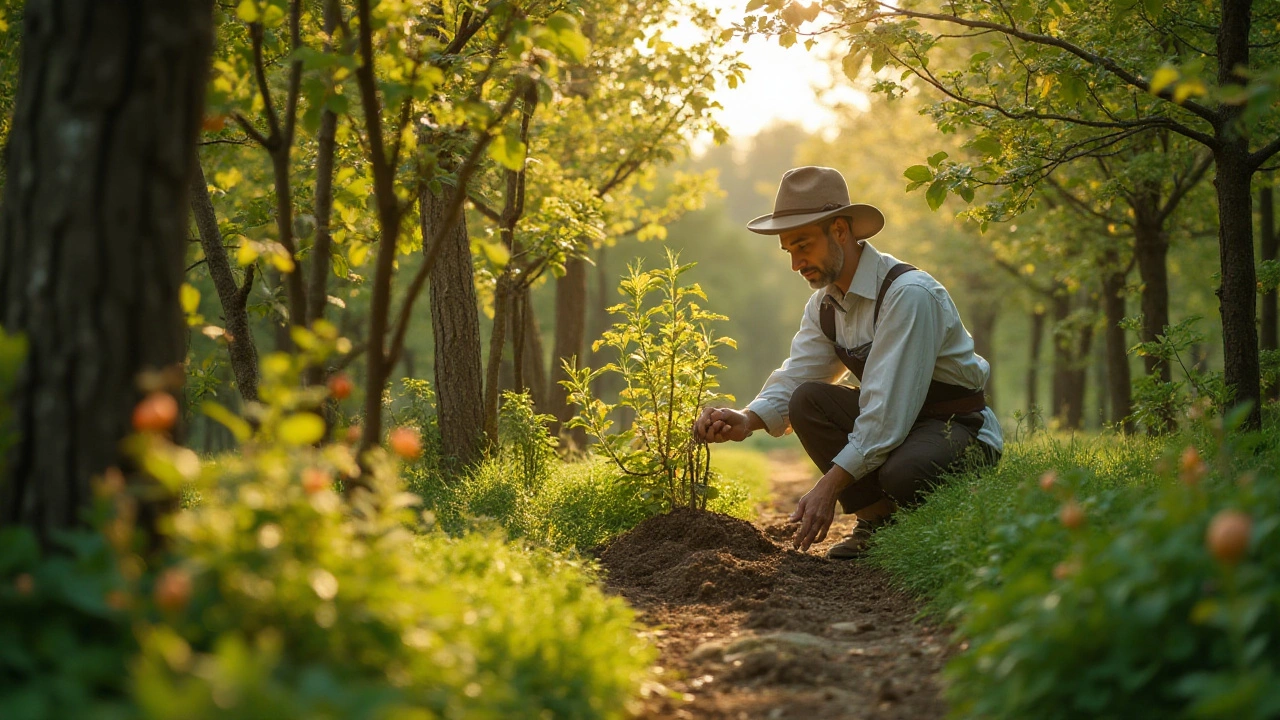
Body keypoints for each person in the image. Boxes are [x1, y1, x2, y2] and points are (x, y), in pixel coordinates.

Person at [693, 166, 1003, 559]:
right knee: (807, 400)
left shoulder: (908, 295)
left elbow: (887, 411)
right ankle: (876, 524)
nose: (795, 263)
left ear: (840, 230)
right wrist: (746, 419)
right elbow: (798, 376)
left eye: (803, 245)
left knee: (903, 473)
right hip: (901, 425)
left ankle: (933, 525)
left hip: (957, 428)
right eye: (789, 250)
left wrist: (830, 485)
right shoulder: (824, 304)